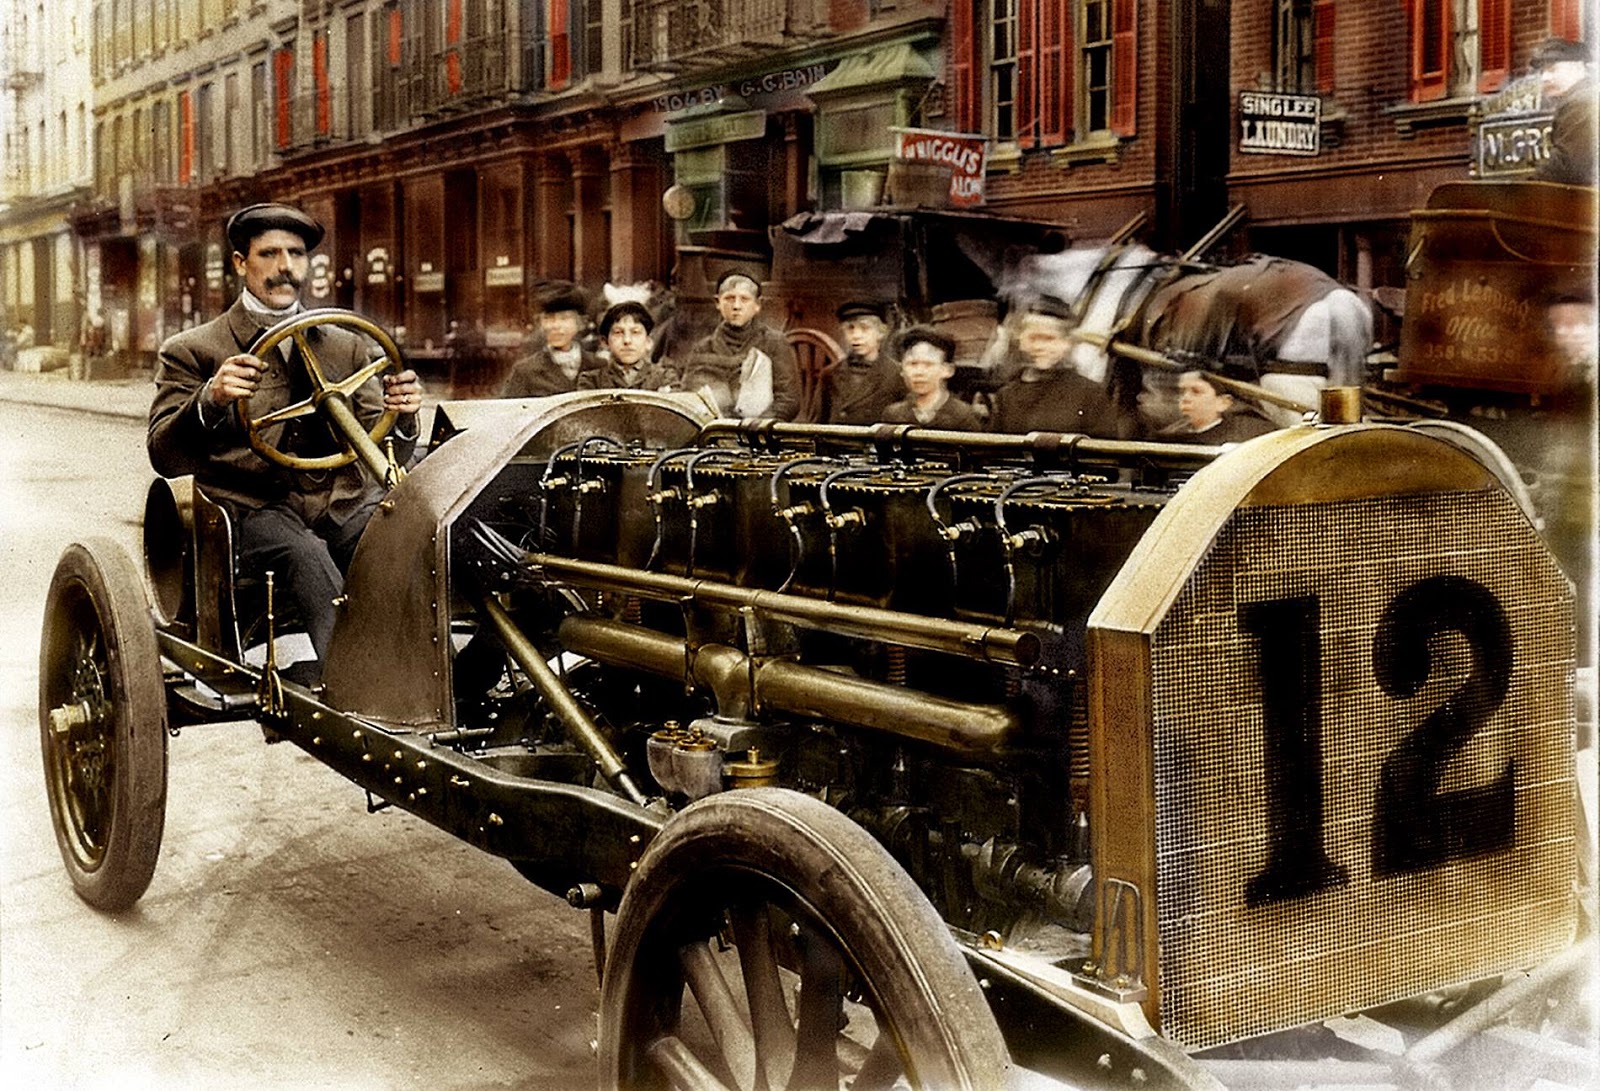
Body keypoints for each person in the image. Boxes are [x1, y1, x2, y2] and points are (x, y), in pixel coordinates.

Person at [148, 203, 424, 681]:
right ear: (240, 263)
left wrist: (403, 417)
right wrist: (210, 398)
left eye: (296, 254)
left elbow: (381, 452)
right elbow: (164, 455)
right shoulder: (194, 349)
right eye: (269, 254)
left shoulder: (346, 344)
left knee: (406, 537)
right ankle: (357, 683)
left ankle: (438, 676)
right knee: (305, 554)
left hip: (337, 503)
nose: (285, 267)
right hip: (250, 509)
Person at [988, 295, 1125, 437]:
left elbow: (1103, 446)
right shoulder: (1007, 396)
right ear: (1021, 342)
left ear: (1067, 343)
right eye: (1033, 338)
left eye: (1049, 339)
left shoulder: (1090, 395)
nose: (1039, 347)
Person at [681, 271, 800, 419]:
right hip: (714, 427)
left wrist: (762, 422)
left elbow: (789, 399)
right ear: (718, 303)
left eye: (744, 299)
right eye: (729, 299)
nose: (736, 306)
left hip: (759, 429)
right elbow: (689, 397)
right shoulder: (703, 348)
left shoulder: (774, 343)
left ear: (757, 305)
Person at [499, 284, 602, 397]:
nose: (555, 326)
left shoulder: (599, 366)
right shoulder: (525, 371)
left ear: (581, 323)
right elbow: (510, 406)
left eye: (564, 318)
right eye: (548, 318)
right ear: (540, 323)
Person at [881, 327, 980, 430]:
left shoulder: (963, 416)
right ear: (901, 369)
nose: (919, 372)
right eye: (912, 364)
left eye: (928, 365)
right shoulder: (893, 415)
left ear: (948, 370)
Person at [1530, 37, 1596, 186]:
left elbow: (1567, 163)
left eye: (1552, 69)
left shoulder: (1583, 102)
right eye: (1542, 72)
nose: (1545, 78)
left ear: (1578, 67)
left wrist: (1523, 191)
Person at [828, 300, 903, 424]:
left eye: (864, 328)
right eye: (850, 329)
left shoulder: (896, 374)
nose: (856, 335)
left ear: (881, 332)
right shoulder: (831, 374)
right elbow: (817, 420)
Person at [1158, 370, 1277, 444]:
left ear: (1223, 403)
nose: (1185, 398)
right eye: (1181, 392)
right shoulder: (1168, 436)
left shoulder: (1253, 435)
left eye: (1196, 391)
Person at [585, 300, 674, 391]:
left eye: (635, 332)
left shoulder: (665, 378)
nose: (627, 340)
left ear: (648, 341)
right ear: (605, 342)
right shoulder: (592, 380)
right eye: (618, 332)